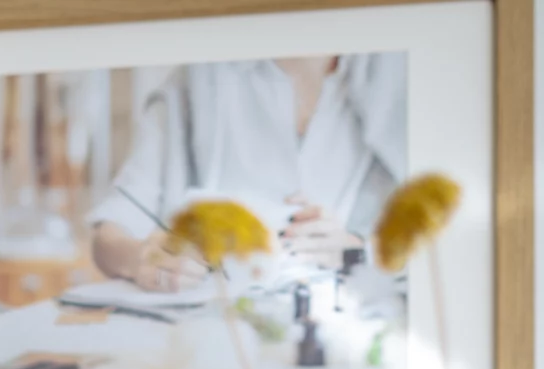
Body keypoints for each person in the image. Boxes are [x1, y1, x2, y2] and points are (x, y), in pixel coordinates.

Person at [89, 53, 408, 293]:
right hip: (211, 333)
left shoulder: (404, 77)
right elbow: (110, 234)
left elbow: (438, 247)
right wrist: (140, 259)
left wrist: (358, 250)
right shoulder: (196, 80)